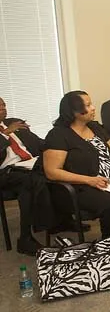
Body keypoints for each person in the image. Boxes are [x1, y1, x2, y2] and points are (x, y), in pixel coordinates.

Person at [43, 91, 110, 266]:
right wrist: (89, 180)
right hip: (79, 186)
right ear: (74, 111)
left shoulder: (96, 127)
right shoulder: (58, 135)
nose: (93, 108)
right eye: (88, 105)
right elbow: (52, 172)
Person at [0, 98, 58, 255]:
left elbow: (38, 142)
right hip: (5, 172)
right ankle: (28, 236)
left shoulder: (13, 123)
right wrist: (5, 134)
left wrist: (56, 147)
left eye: (4, 105)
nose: (3, 108)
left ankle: (58, 221)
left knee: (55, 168)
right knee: (32, 181)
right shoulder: (8, 129)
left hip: (29, 164)